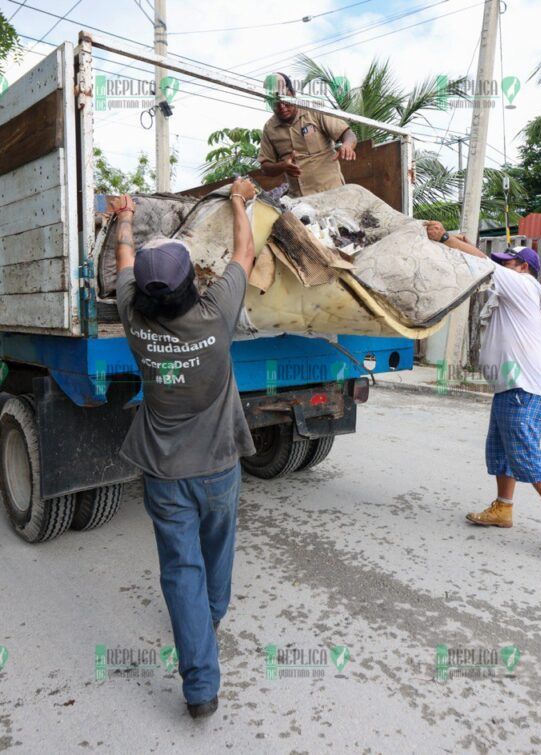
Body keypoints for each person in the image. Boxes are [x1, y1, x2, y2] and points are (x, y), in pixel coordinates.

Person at [108, 177, 258, 719]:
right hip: (219, 465)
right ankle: (209, 617)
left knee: (180, 569)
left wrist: (124, 215)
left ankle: (200, 688)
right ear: (192, 282)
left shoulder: (132, 315)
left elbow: (124, 260)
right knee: (217, 552)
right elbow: (244, 250)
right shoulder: (216, 315)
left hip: (164, 472)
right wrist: (239, 199)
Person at [424, 223, 541, 566]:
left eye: (506, 263)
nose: (501, 267)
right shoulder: (511, 294)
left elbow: (482, 264)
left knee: (525, 452)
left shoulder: (523, 284)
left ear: (523, 267)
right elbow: (479, 265)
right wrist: (458, 246)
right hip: (511, 385)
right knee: (501, 451)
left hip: (525, 387)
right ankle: (503, 508)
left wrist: (443, 238)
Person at [257, 72, 357, 197]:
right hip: (299, 201)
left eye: (284, 99)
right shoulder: (269, 128)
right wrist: (283, 166)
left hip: (331, 193)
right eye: (275, 103)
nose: (281, 106)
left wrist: (347, 145)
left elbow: (348, 134)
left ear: (292, 93)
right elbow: (265, 168)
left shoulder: (315, 110)